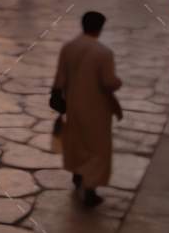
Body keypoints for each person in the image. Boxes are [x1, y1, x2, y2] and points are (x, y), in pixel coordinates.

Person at [53, 11, 123, 208]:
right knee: (97, 149)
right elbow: (109, 82)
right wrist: (118, 82)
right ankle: (90, 189)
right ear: (100, 28)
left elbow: (60, 78)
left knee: (77, 142)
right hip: (96, 108)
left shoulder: (69, 47)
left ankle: (77, 175)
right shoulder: (103, 53)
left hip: (73, 104)